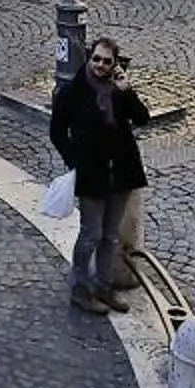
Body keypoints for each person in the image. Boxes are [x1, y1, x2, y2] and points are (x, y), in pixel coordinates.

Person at [50, 37, 153, 313]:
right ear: (89, 58)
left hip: (120, 173)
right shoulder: (72, 92)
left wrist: (127, 91)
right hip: (92, 174)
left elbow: (143, 118)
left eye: (107, 61)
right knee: (90, 234)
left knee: (110, 236)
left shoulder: (119, 90)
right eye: (96, 58)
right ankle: (81, 288)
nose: (101, 65)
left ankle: (103, 287)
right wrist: (75, 162)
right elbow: (57, 131)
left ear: (114, 64)